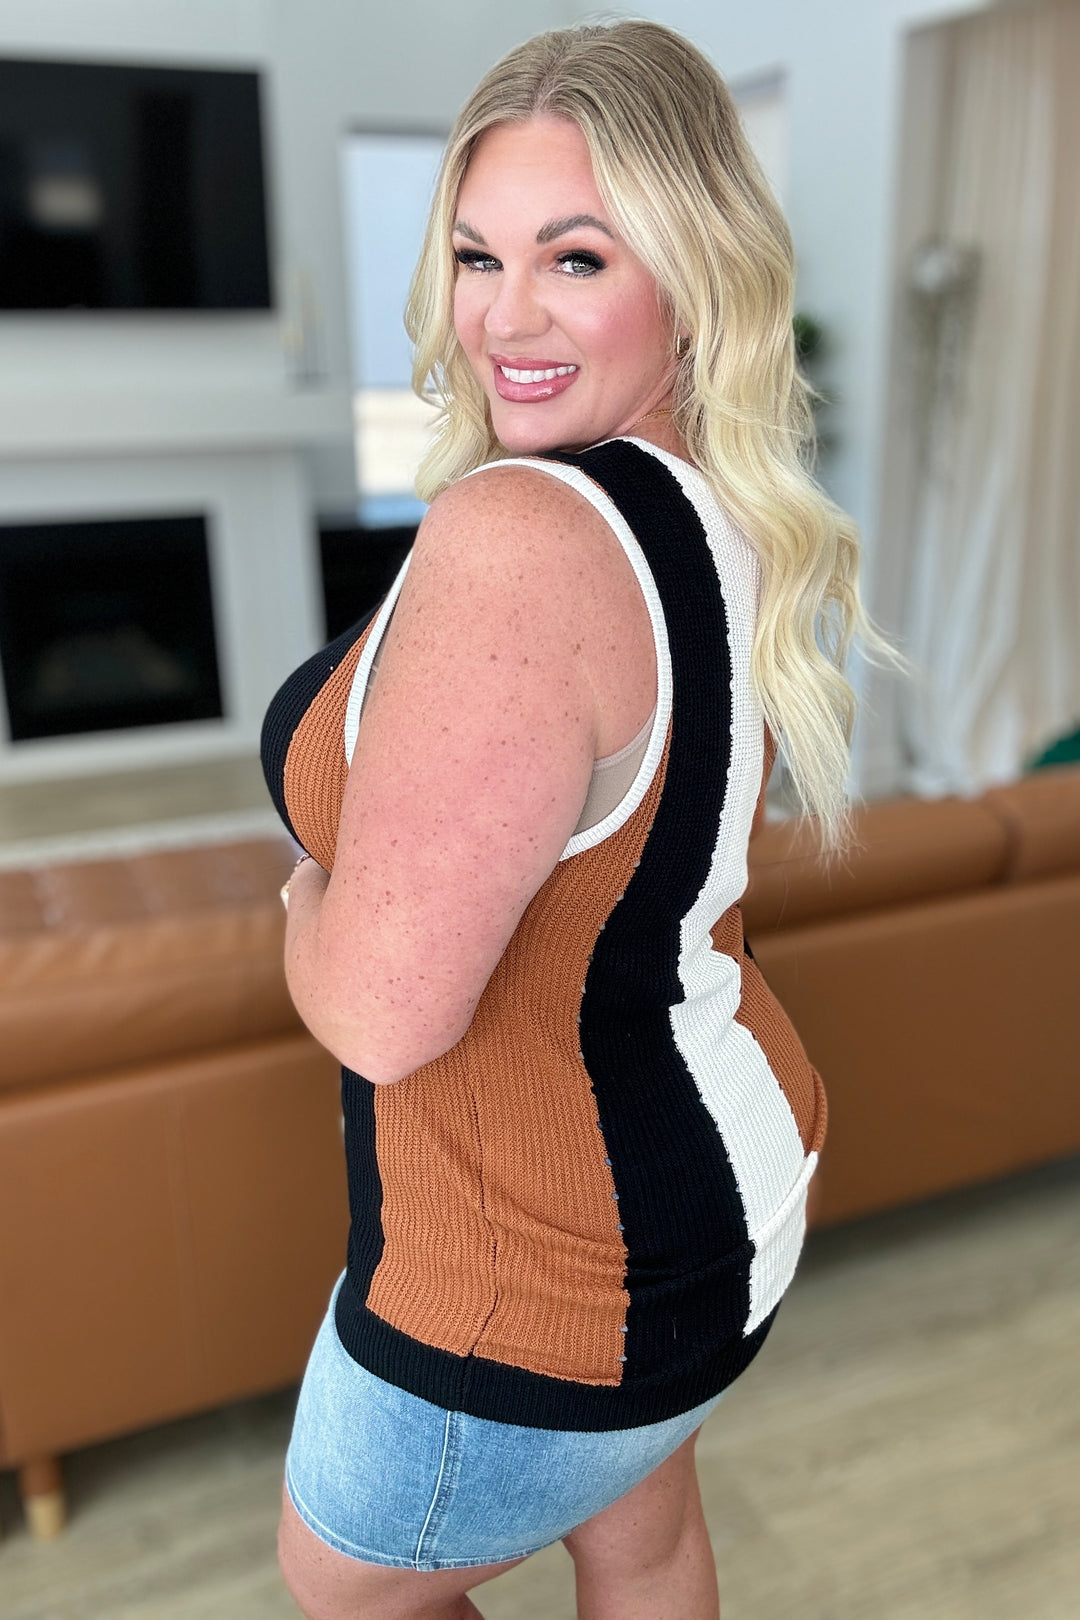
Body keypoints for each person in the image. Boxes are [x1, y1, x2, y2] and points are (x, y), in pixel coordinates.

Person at [262, 20, 879, 1620]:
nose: (505, 316)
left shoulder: (521, 538)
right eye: (479, 255)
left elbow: (382, 1014)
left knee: (346, 1587)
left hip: (542, 1273)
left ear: (694, 274)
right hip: (727, 1195)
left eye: (577, 257)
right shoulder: (713, 498)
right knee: (642, 1535)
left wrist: (307, 901)